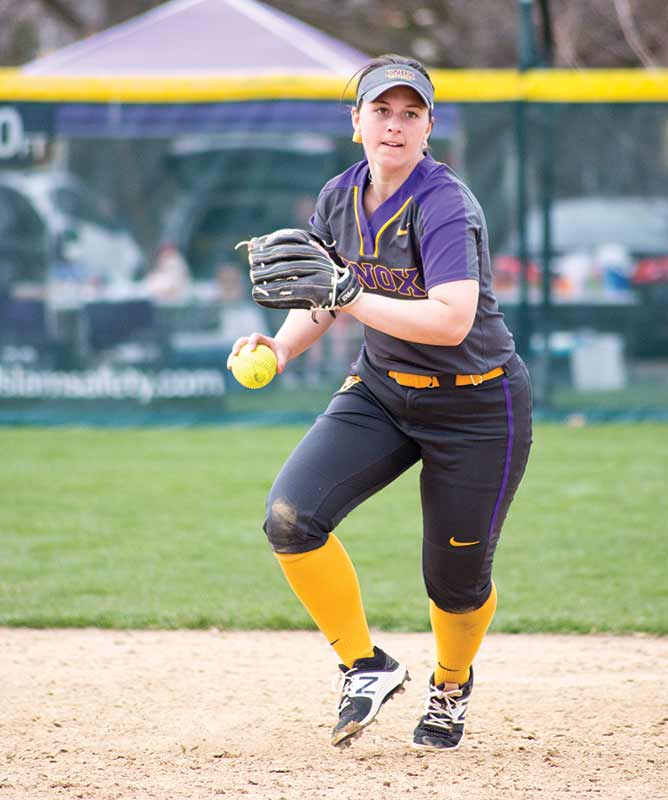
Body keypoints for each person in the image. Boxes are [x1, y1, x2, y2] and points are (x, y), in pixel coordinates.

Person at [228, 54, 532, 751]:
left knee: (453, 580)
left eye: (411, 113)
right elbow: (320, 299)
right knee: (291, 517)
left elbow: (451, 320)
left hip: (479, 406)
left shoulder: (445, 203)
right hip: (384, 390)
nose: (394, 125)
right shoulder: (339, 195)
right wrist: (277, 348)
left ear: (428, 127)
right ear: (356, 121)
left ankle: (451, 685)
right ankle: (365, 667)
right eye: (381, 111)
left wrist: (346, 293)